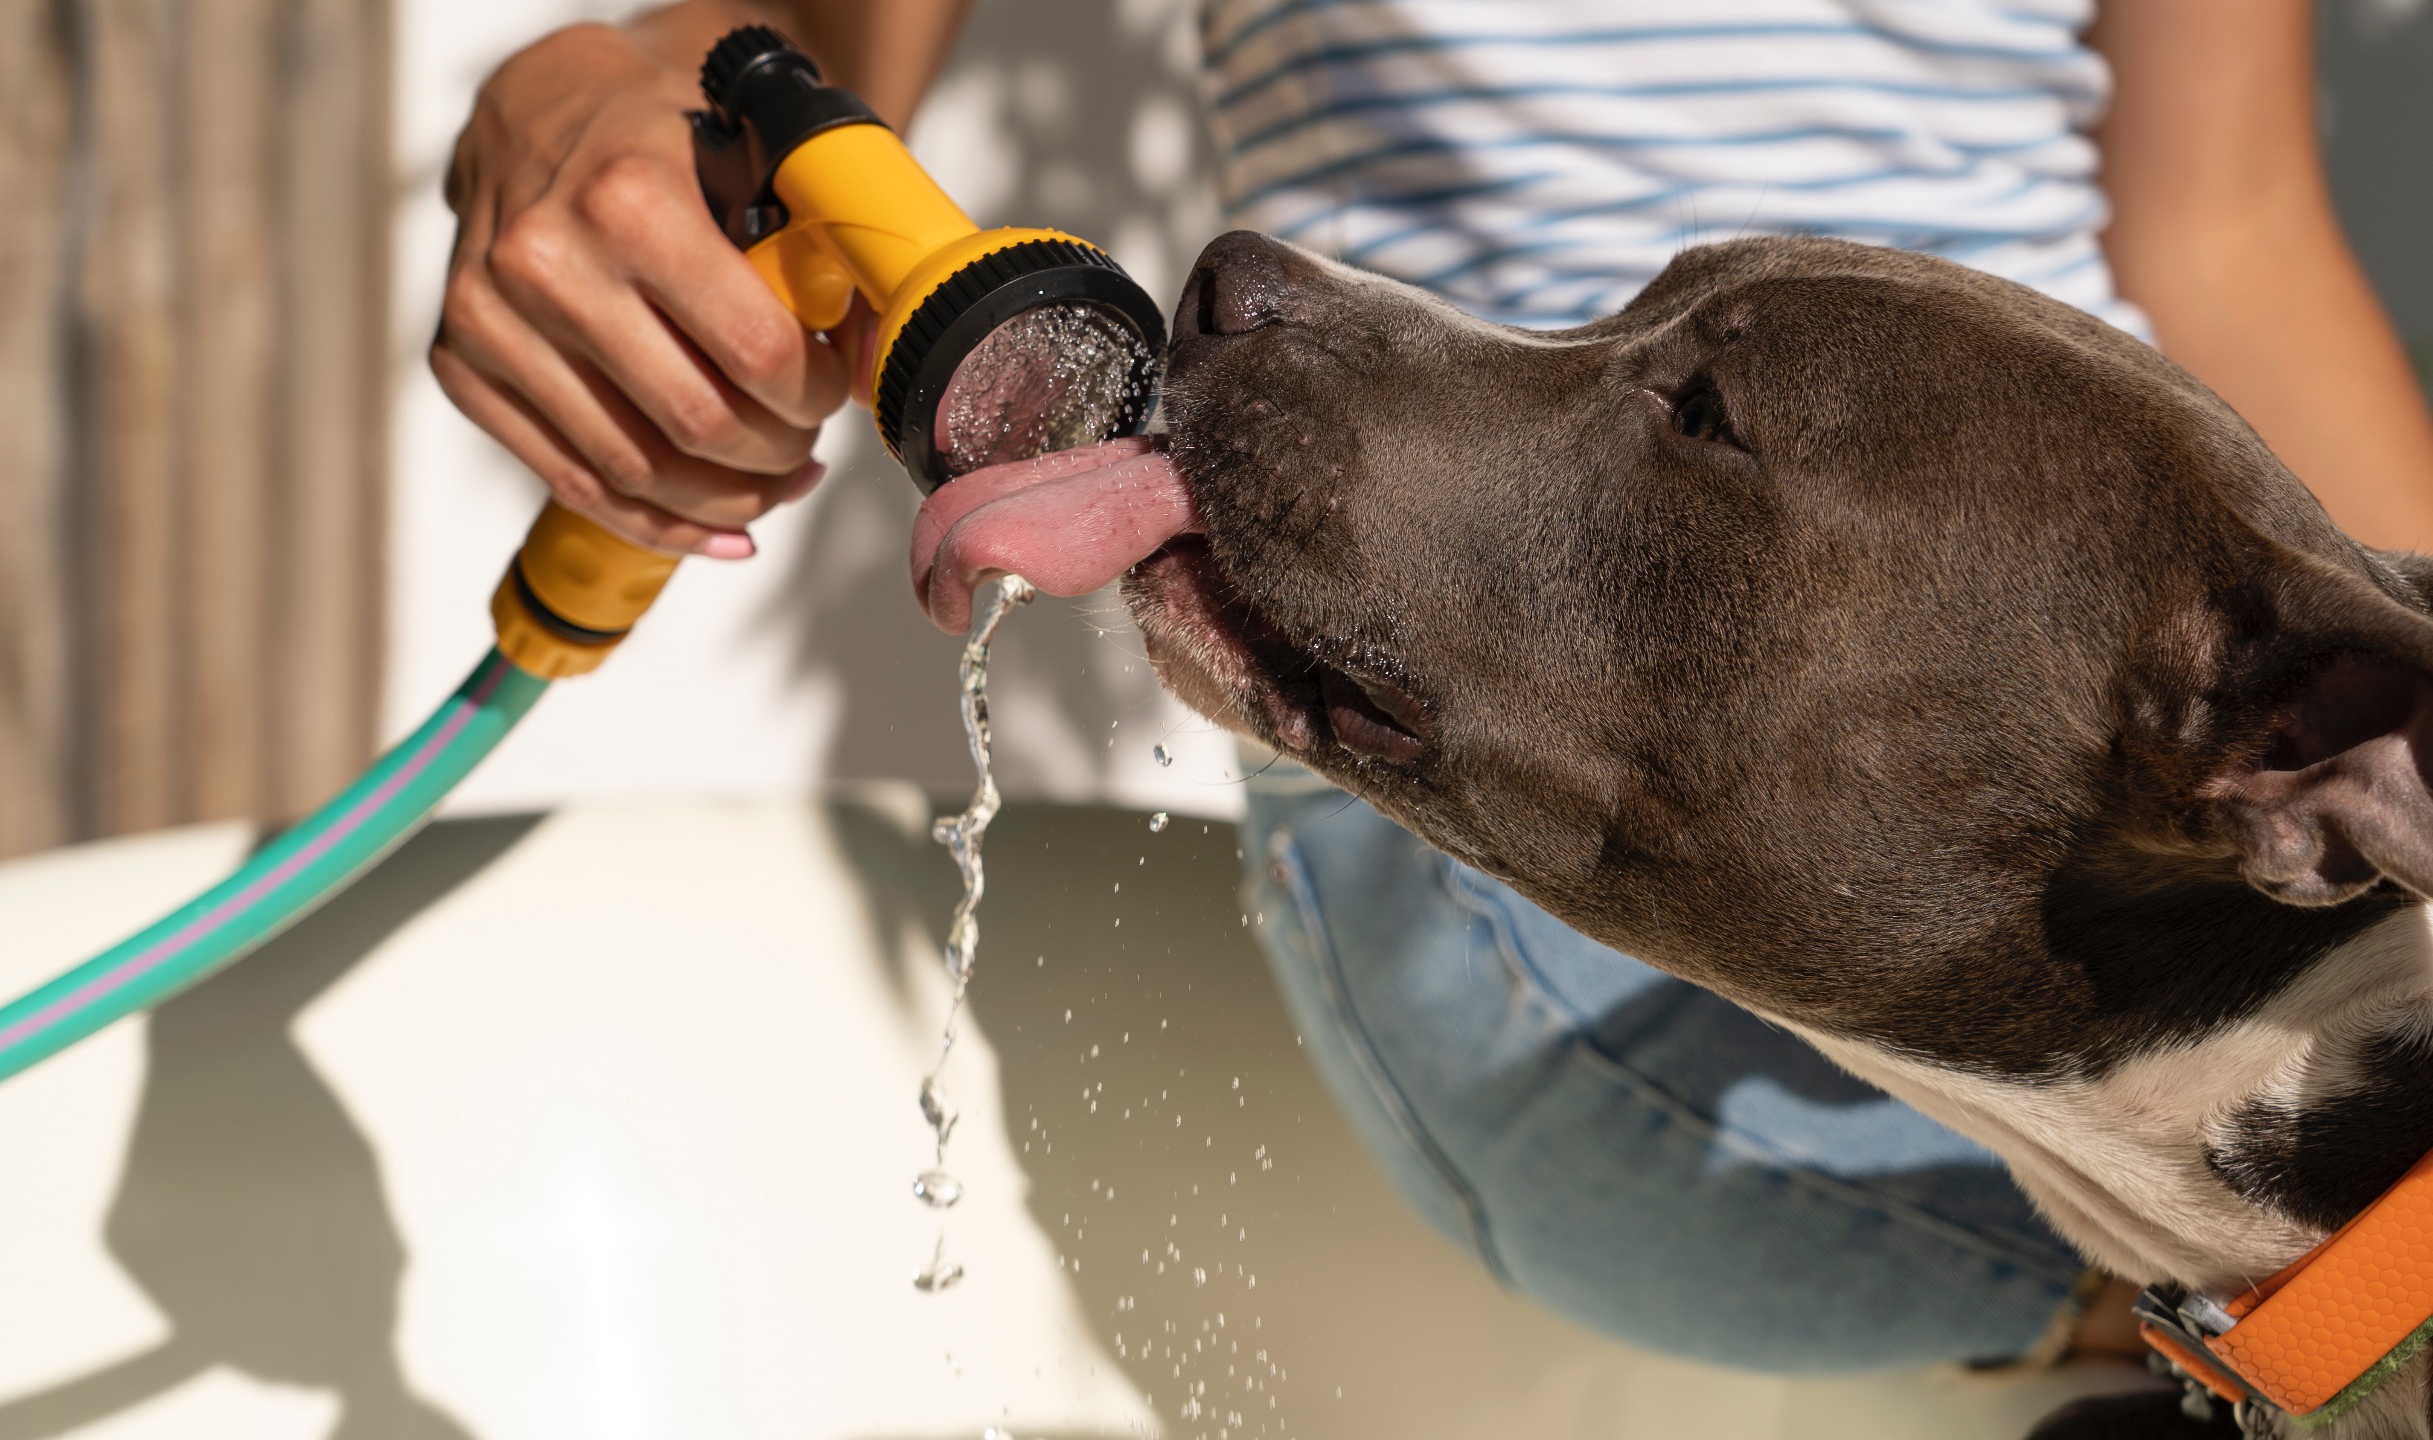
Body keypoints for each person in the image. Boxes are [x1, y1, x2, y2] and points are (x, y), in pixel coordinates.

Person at [433, 0, 2433, 1373]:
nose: (1246, 284)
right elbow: (761, 64)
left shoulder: (2281, 725)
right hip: (1580, 853)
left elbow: (2226, 232)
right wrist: (582, 95)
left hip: (2083, 765)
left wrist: (2381, 754)